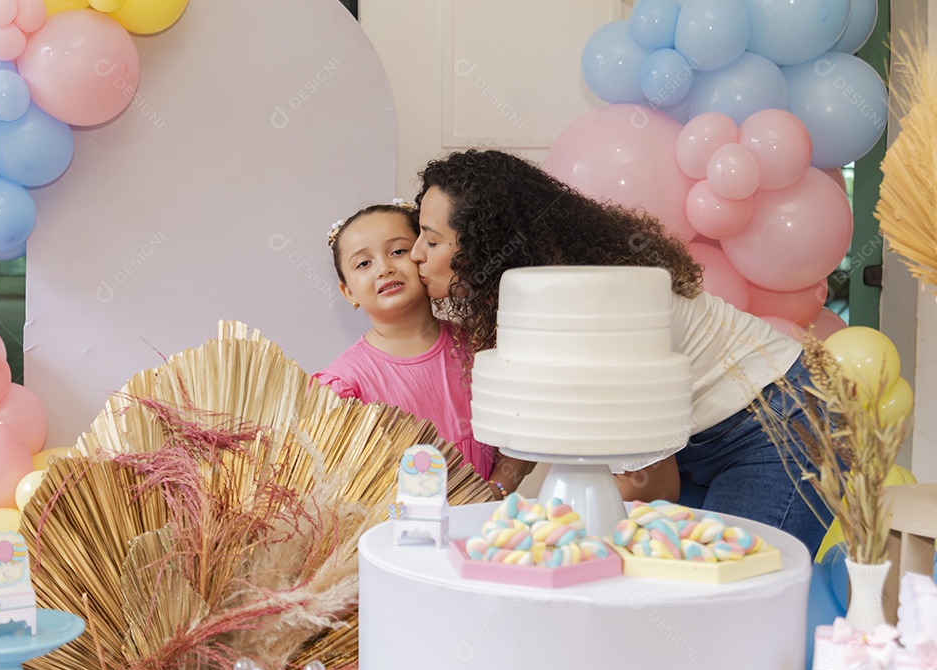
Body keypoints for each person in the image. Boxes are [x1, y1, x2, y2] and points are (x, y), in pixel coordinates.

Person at [409, 148, 832, 558]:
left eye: (431, 240)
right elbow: (535, 421)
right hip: (698, 441)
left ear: (485, 246)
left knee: (735, 584)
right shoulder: (539, 298)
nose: (416, 254)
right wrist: (494, 492)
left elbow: (651, 485)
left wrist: (537, 534)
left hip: (779, 422)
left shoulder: (590, 311)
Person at [313, 199, 528, 499]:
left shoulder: (480, 348)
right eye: (364, 263)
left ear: (423, 257)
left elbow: (523, 434)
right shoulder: (344, 386)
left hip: (484, 521)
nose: (385, 268)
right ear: (349, 292)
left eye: (398, 251)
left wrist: (493, 492)